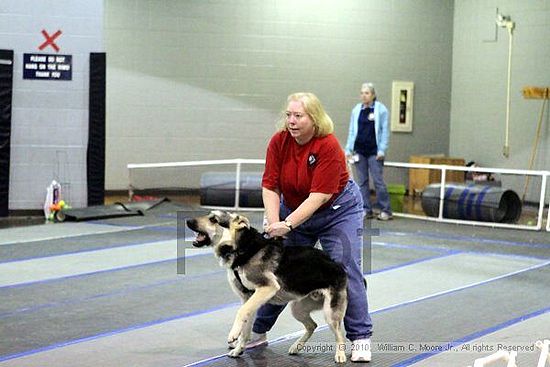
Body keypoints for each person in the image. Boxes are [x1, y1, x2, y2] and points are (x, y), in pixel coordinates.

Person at [250, 92, 373, 362]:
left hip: (337, 211)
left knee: (345, 265)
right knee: (277, 269)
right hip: (293, 206)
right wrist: (274, 223)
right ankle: (257, 331)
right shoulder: (279, 142)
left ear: (314, 118)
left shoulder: (328, 145)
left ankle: (361, 338)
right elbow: (270, 185)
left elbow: (320, 196)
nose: (291, 121)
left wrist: (289, 224)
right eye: (288, 115)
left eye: (298, 116)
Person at [345, 82, 393, 220]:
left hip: (374, 152)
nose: (364, 96)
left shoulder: (381, 110)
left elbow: (384, 132)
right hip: (359, 151)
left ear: (373, 95)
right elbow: (352, 131)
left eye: (367, 93)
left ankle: (386, 210)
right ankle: (366, 208)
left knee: (378, 181)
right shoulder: (356, 110)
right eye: (362, 93)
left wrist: (382, 149)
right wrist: (348, 149)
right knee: (362, 182)